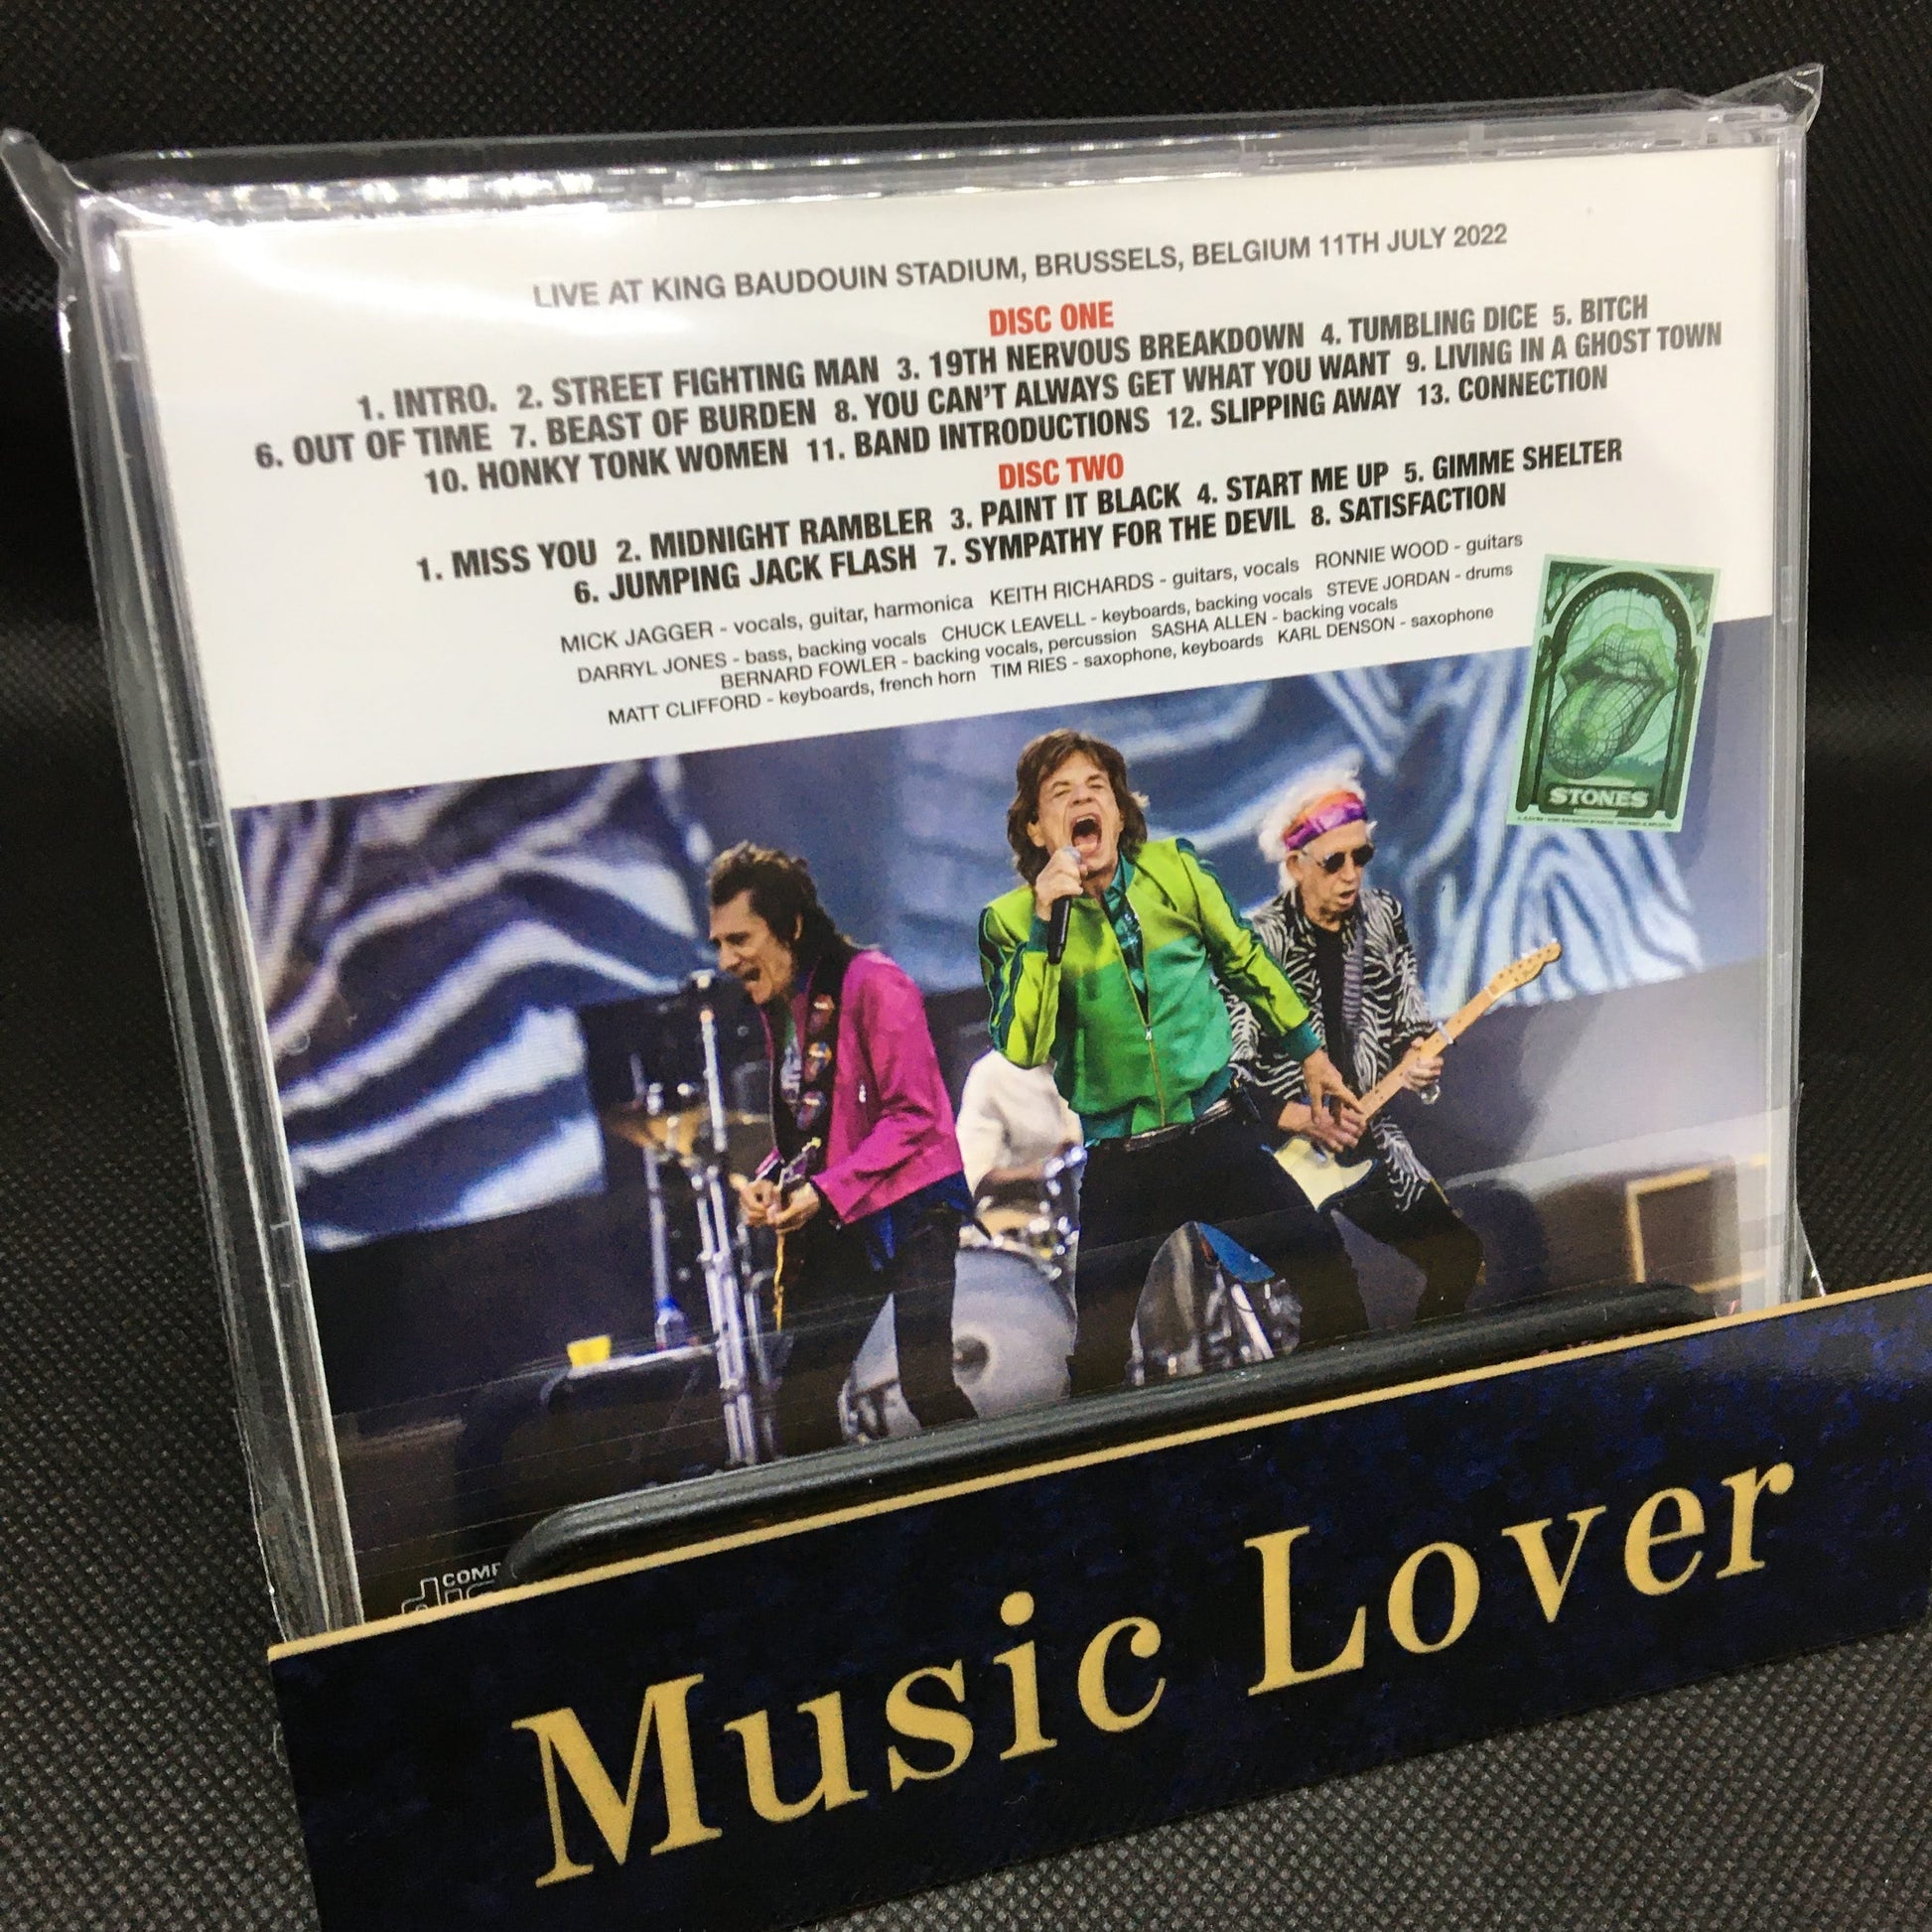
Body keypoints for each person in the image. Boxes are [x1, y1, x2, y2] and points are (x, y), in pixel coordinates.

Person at [977, 729, 1370, 1395]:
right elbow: (1024, 1045)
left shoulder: (1176, 871)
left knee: (1331, 1282)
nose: (1083, 800)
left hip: (1217, 1133)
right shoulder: (1010, 923)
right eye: (1062, 793)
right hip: (1121, 1161)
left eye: (1096, 788)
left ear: (1119, 810)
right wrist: (1047, 925)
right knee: (1098, 1358)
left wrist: (1309, 1051)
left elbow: (1245, 961)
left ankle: (1340, 1418)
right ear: (1037, 830)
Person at [708, 843, 977, 1455]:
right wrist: (773, 1176)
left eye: (740, 939)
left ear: (791, 927)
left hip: (915, 1207)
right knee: (800, 1406)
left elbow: (914, 1117)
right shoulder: (785, 1004)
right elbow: (819, 1126)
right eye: (719, 943)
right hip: (848, 1210)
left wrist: (823, 1192)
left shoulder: (875, 981)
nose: (726, 960)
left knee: (927, 1386)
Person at [1230, 765, 1486, 1321]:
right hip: (1283, 1156)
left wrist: (1419, 1058)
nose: (1351, 874)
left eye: (1361, 856)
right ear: (1295, 865)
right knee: (1333, 1309)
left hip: (1367, 1133)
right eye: (1333, 861)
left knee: (1458, 1257)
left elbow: (1408, 1016)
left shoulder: (1383, 916)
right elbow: (1229, 1073)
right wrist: (1302, 1119)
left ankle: (1428, 1369)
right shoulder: (1257, 941)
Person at [954, 1048, 1082, 1200]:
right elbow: (977, 1178)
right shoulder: (991, 1073)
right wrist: (1045, 1172)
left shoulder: (1077, 1062)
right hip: (1014, 1208)